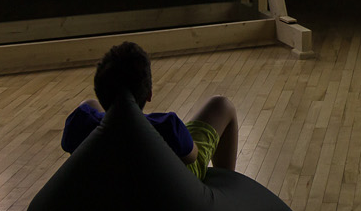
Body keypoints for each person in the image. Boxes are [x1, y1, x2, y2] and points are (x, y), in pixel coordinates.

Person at [61, 41, 239, 179]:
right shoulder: (167, 127)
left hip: (106, 175)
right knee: (221, 105)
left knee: (89, 104)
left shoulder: (81, 122)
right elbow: (192, 156)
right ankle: (226, 189)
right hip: (172, 184)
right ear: (149, 94)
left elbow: (70, 146)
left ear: (100, 93)